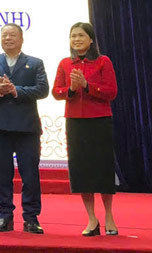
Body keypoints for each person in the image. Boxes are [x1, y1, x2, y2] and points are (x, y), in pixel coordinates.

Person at [52, 22, 118, 236]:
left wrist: (87, 86)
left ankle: (109, 215)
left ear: (91, 39)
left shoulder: (103, 61)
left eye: (81, 35)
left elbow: (112, 91)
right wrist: (71, 89)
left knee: (102, 168)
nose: (77, 39)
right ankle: (91, 218)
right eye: (73, 36)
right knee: (81, 170)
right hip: (75, 122)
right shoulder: (65, 63)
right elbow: (56, 92)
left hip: (99, 121)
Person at [0, 24, 48, 234]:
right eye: (4, 35)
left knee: (30, 174)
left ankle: (31, 217)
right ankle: (4, 216)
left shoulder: (35, 63)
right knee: (2, 174)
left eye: (12, 35)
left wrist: (16, 90)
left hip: (27, 127)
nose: (8, 38)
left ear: (21, 39)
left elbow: (43, 89)